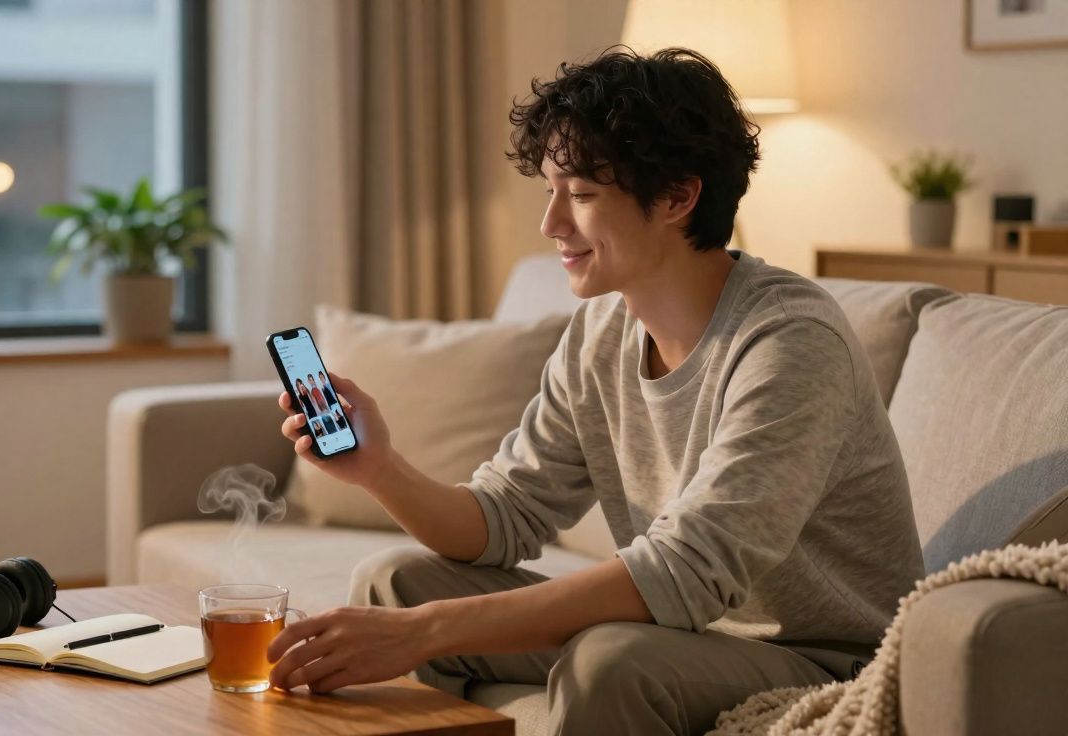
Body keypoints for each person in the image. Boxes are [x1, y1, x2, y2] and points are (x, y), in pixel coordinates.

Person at [267, 47, 923, 735]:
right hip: (682, 635)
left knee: (609, 660)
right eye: (550, 191)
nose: (551, 224)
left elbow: (688, 572)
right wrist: (380, 468)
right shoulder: (603, 330)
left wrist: (426, 634)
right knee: (393, 585)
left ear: (677, 196)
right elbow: (503, 519)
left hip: (818, 659)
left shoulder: (791, 343)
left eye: (579, 195)